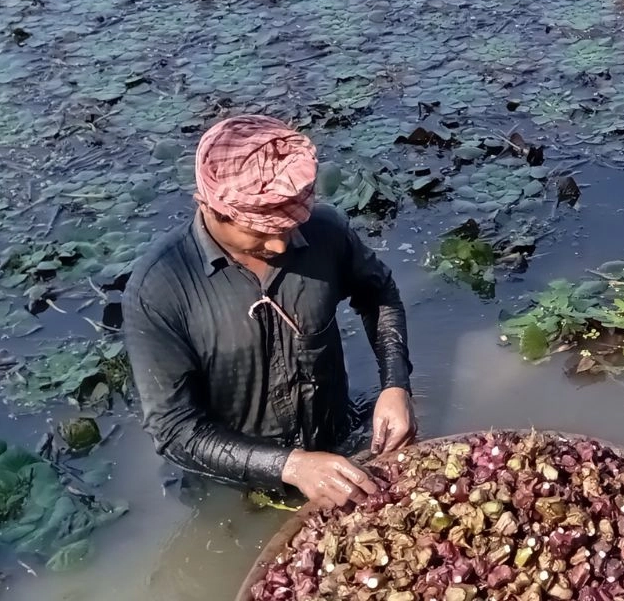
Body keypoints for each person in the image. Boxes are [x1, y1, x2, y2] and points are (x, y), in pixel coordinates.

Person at [122, 115, 415, 511]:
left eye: (288, 226)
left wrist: (395, 386)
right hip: (233, 481)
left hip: (340, 440)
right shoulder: (160, 290)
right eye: (259, 232)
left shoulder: (324, 232)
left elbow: (378, 294)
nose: (279, 247)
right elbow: (174, 431)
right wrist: (291, 466)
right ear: (211, 209)